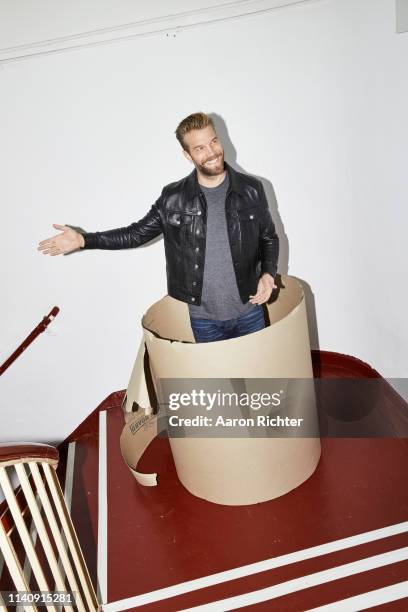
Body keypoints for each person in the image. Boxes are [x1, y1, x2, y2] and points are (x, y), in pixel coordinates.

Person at [38, 112, 279, 343]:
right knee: (218, 385)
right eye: (200, 148)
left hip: (250, 311)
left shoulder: (251, 189)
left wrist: (267, 274)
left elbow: (269, 237)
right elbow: (136, 234)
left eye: (213, 141)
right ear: (187, 155)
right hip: (205, 322)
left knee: (260, 383)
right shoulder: (174, 198)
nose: (212, 152)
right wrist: (84, 240)